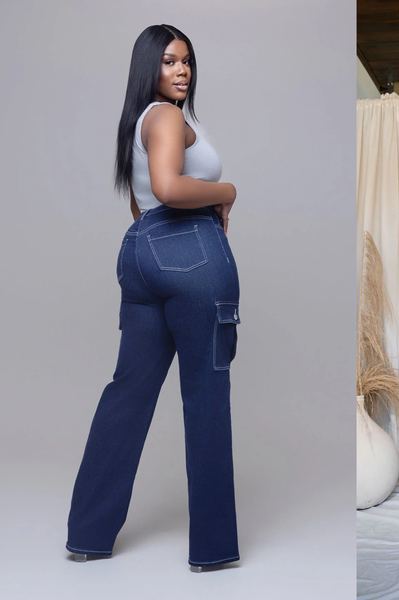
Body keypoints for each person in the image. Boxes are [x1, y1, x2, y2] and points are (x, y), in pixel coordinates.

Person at [67, 24, 241, 571]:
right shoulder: (166, 116)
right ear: (150, 68)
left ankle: (88, 534)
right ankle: (211, 551)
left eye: (187, 61)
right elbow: (169, 188)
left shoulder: (138, 121)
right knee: (206, 399)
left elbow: (143, 205)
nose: (182, 70)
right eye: (169, 61)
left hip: (140, 254)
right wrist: (227, 191)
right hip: (191, 252)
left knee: (127, 394)